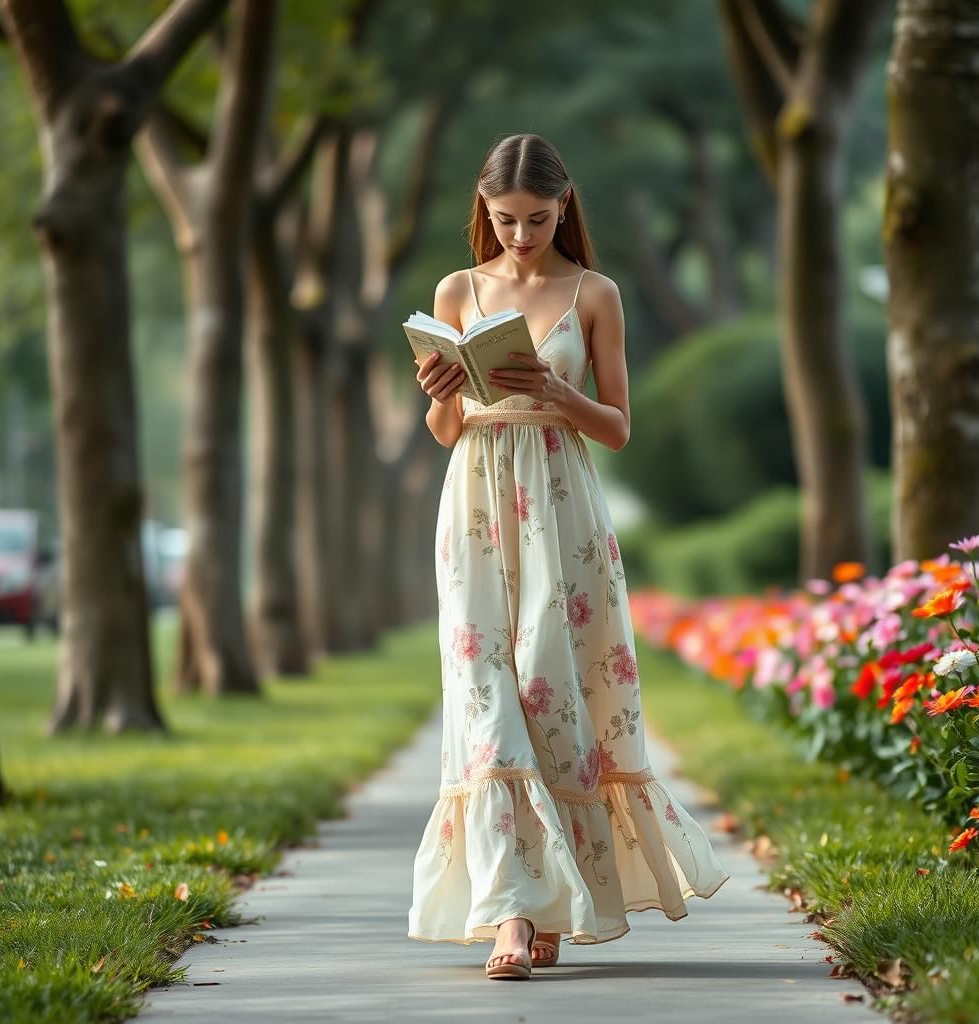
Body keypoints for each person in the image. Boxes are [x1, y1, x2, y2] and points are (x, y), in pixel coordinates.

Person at [407, 133, 730, 981]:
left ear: (565, 206)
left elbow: (619, 427)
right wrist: (439, 398)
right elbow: (446, 434)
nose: (521, 236)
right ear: (485, 211)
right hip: (475, 507)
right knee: (485, 696)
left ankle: (556, 901)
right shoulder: (457, 290)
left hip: (560, 508)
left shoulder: (594, 293)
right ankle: (513, 914)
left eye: (538, 219)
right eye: (506, 220)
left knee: (551, 689)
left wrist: (558, 393)